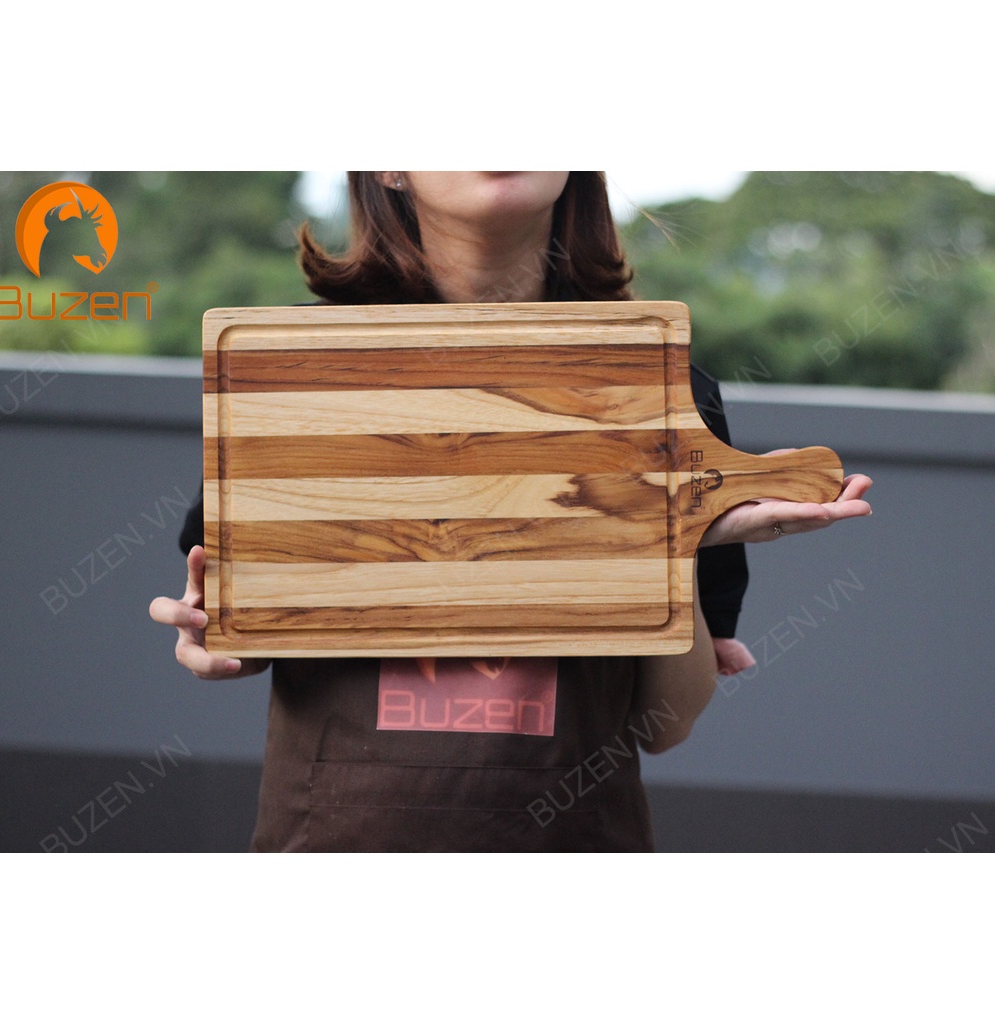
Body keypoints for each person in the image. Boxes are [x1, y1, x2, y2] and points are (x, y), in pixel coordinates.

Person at [149, 172, 872, 852]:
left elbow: (667, 724)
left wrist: (670, 532)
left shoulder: (657, 383)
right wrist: (208, 639)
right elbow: (240, 632)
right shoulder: (292, 374)